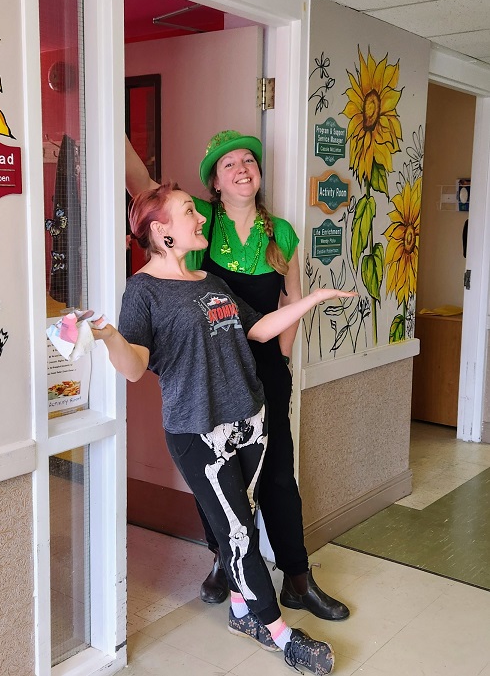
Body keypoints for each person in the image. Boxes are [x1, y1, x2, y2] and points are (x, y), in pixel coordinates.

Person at [91, 183, 354, 674]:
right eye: (189, 210)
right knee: (237, 533)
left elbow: (257, 329)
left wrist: (310, 299)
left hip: (250, 419)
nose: (200, 217)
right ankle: (279, 633)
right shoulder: (143, 290)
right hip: (198, 431)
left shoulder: (210, 282)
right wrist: (110, 337)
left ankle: (239, 610)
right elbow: (133, 368)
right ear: (160, 230)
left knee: (242, 519)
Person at [125, 130, 350, 621]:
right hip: (218, 368)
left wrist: (284, 361)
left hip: (267, 367)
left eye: (249, 160)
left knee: (276, 478)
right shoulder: (200, 226)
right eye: (229, 164)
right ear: (215, 184)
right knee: (221, 477)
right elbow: (149, 200)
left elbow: (289, 301)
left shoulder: (283, 232)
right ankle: (226, 563)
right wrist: (115, 127)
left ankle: (296, 577)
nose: (243, 168)